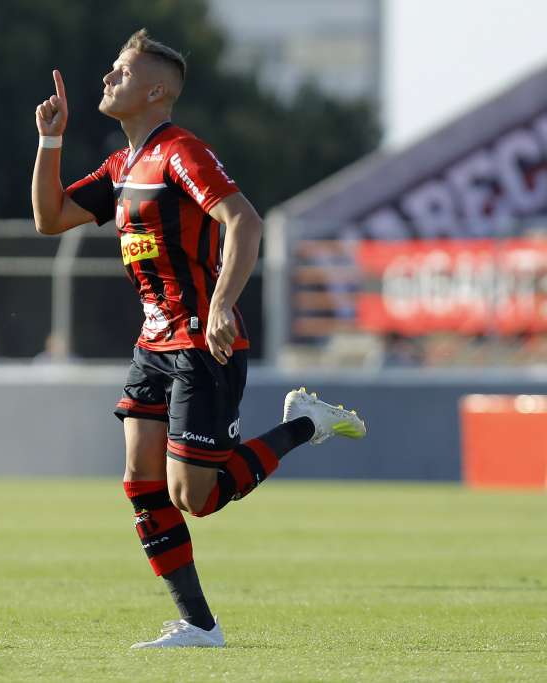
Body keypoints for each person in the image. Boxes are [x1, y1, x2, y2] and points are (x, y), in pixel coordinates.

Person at [31, 29, 367, 648]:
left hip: (200, 344)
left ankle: (305, 424)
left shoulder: (180, 151)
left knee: (197, 497)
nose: (108, 79)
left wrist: (222, 306)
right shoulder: (120, 165)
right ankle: (199, 626)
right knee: (140, 482)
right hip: (152, 344)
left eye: (121, 72)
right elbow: (50, 218)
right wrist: (50, 139)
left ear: (156, 91)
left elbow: (244, 220)